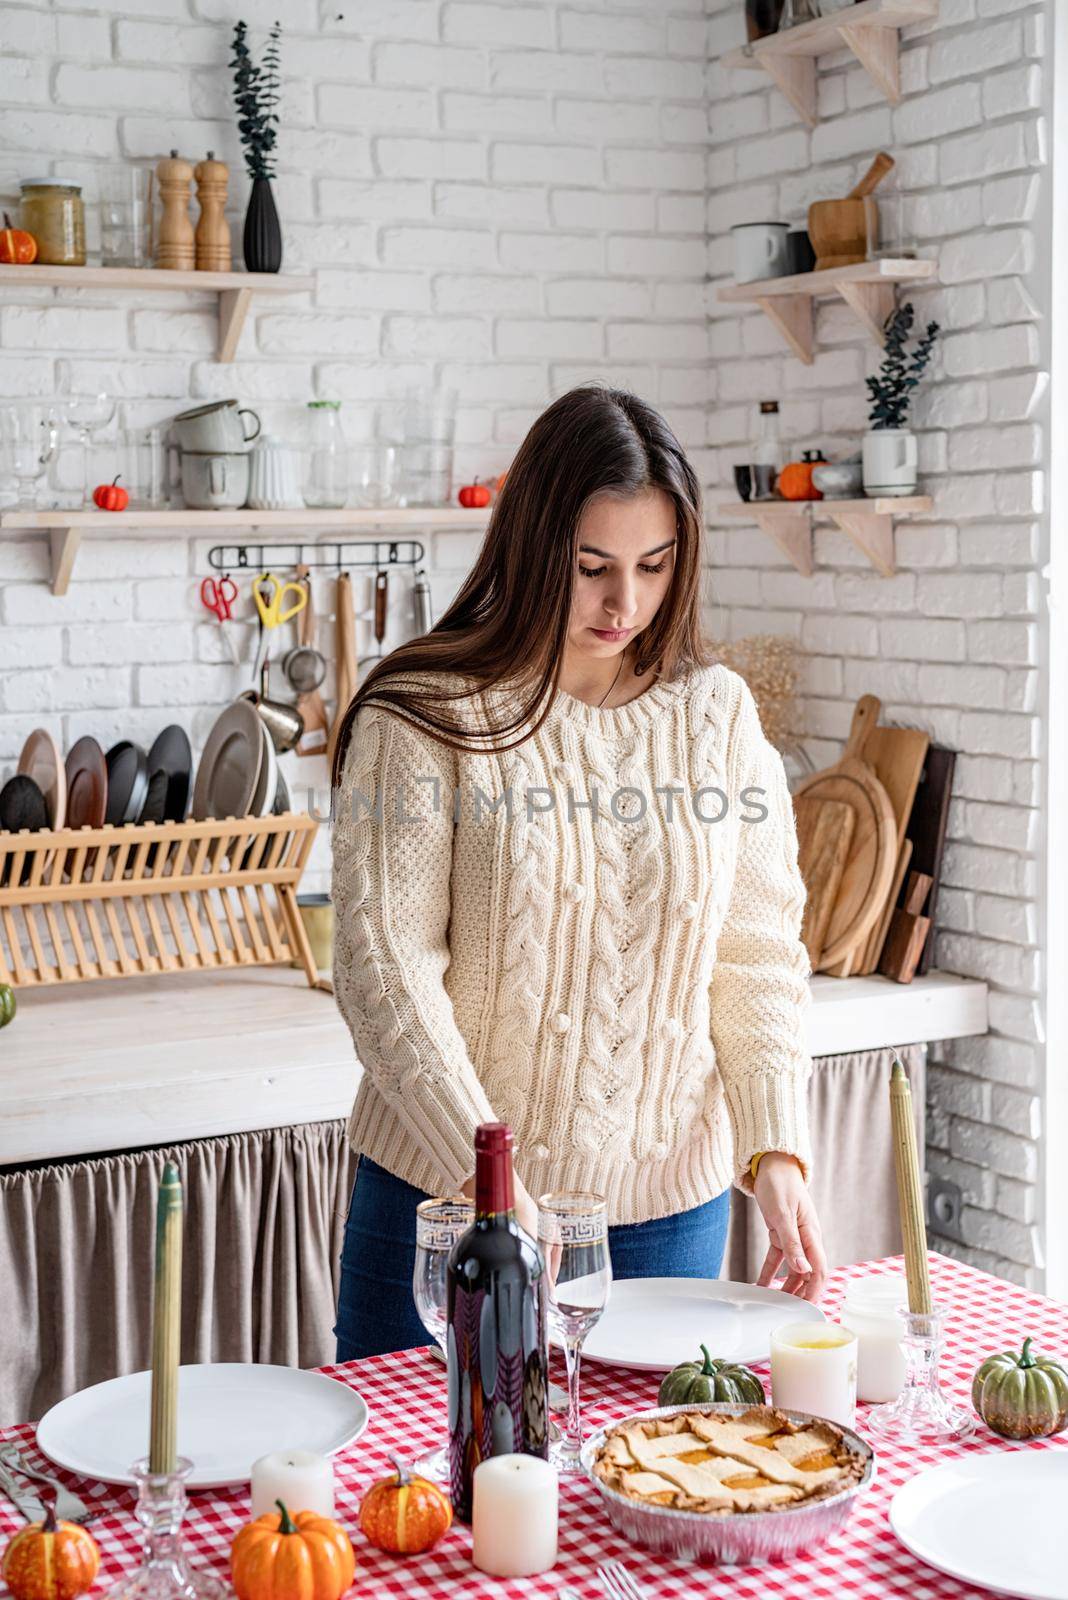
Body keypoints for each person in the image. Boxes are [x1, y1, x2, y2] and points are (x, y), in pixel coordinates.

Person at [330, 385, 826, 1361]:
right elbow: (384, 969)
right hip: (444, 1209)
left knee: (648, 1495)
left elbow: (756, 954)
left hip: (663, 1217)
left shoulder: (717, 716)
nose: (625, 603)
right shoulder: (424, 714)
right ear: (531, 547)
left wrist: (774, 1151)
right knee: (412, 1504)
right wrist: (494, 1184)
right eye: (593, 566)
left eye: (653, 565)